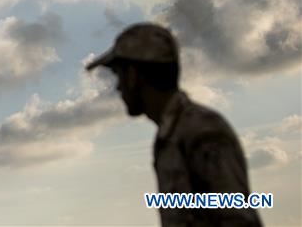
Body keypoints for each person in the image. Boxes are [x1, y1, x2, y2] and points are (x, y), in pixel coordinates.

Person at [86, 23, 262, 226]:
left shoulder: (202, 130)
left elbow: (236, 220)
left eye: (119, 75)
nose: (118, 87)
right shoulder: (171, 134)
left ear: (133, 76)